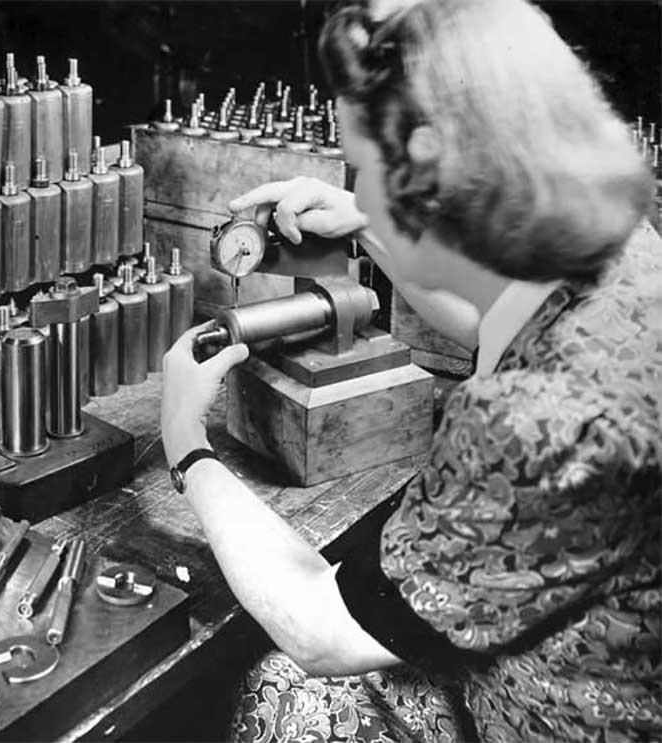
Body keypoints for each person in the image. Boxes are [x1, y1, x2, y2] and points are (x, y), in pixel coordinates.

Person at [160, 0, 661, 740]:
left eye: (360, 170)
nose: (355, 191)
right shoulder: (626, 256)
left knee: (289, 694)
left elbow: (320, 628)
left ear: (435, 178)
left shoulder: (533, 419)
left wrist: (185, 442)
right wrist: (366, 222)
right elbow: (498, 316)